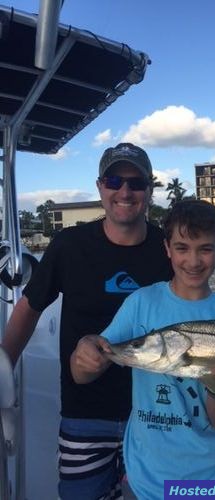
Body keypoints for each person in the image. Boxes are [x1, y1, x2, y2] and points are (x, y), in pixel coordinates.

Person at [1, 143, 173, 500]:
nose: (125, 191)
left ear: (150, 189)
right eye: (114, 180)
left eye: (136, 182)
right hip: (84, 416)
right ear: (100, 187)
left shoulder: (169, 249)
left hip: (153, 415)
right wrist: (3, 371)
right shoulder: (69, 245)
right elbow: (28, 309)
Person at [70, 199, 215, 499]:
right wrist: (84, 353)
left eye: (205, 249)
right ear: (167, 249)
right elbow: (83, 372)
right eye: (182, 248)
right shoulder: (140, 303)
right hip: (146, 479)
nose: (193, 261)